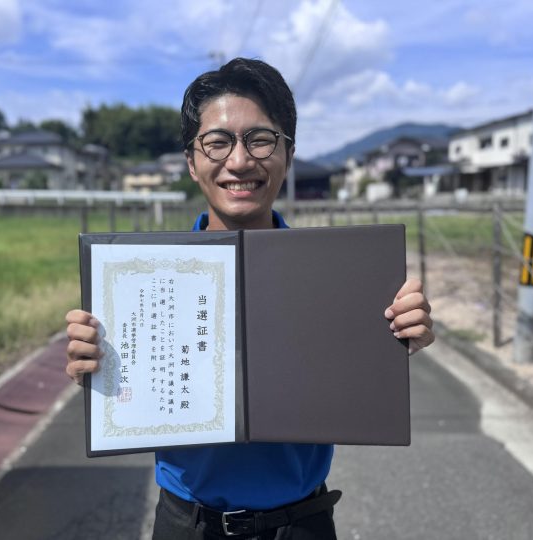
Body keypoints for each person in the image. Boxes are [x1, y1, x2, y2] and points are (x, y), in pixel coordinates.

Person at [65, 58, 434, 539]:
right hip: (187, 524)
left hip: (303, 523)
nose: (239, 161)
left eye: (260, 139)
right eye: (217, 142)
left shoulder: (336, 276)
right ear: (191, 161)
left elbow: (364, 376)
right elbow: (124, 387)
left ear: (289, 153)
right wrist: (98, 366)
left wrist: (399, 331)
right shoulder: (143, 279)